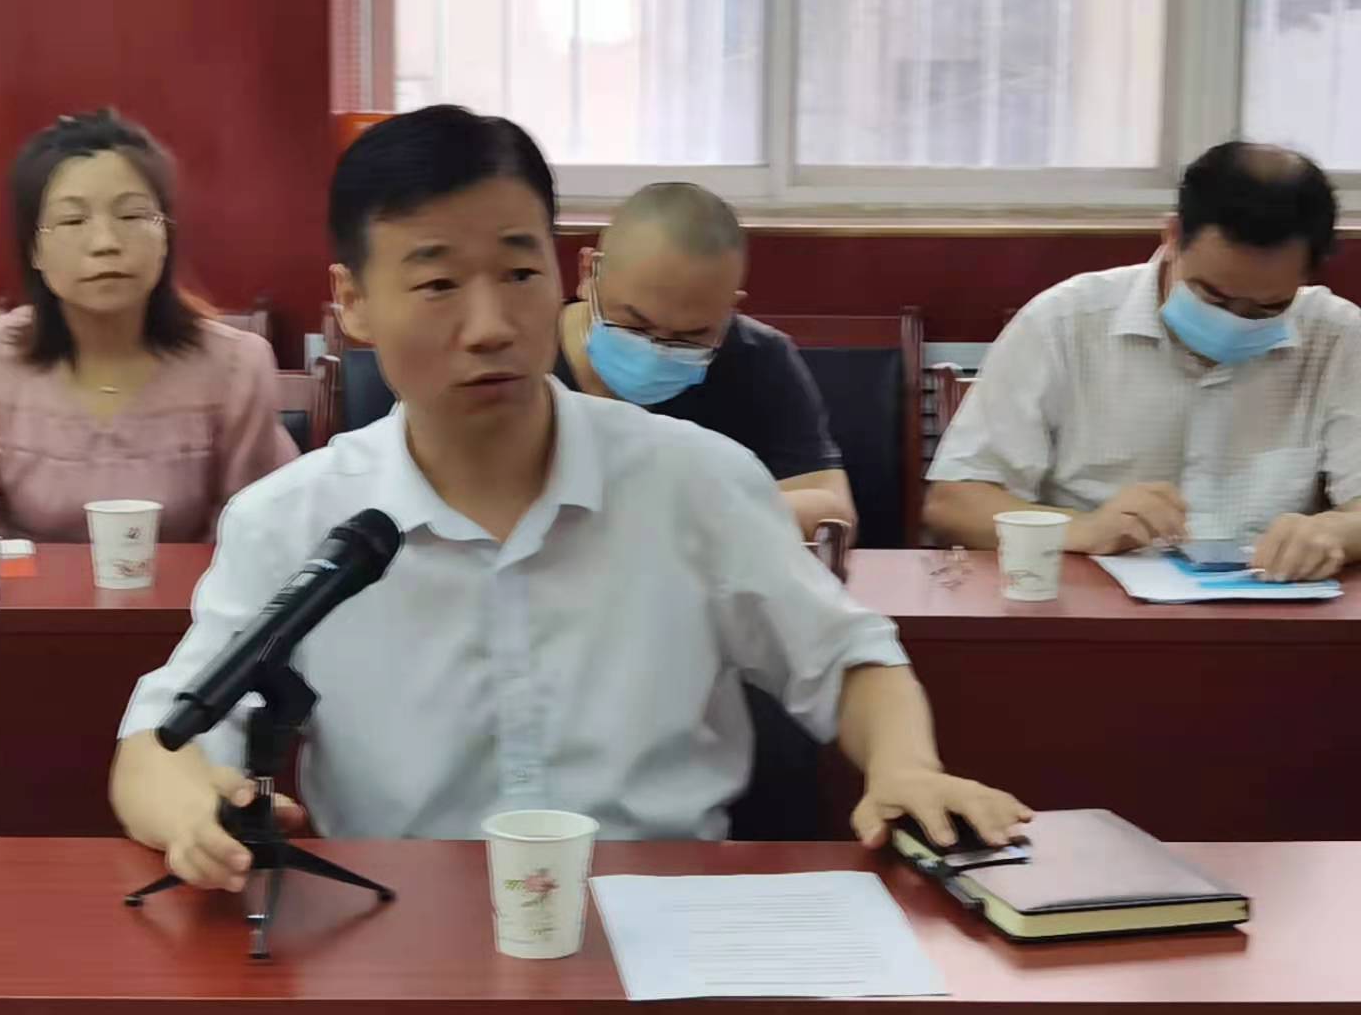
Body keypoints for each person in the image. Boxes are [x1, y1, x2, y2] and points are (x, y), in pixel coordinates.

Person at [111, 105, 1028, 892]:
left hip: (665, 931)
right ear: (353, 302)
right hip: (401, 935)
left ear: (564, 274)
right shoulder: (295, 518)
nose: (491, 327)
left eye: (519, 274)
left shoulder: (695, 482)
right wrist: (191, 808)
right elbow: (160, 738)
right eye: (436, 284)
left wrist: (906, 766)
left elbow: (849, 658)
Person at [925, 141, 1361, 582]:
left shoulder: (1338, 337)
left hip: (1270, 609)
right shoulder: (1065, 322)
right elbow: (954, 503)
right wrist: (1083, 529)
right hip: (1089, 604)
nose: (1235, 322)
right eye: (1213, 297)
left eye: (1268, 308)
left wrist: (1336, 532)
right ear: (1172, 236)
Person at [0, 110, 297, 543]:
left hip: (195, 590)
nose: (106, 243)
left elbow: (260, 532)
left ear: (166, 237)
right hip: (24, 589)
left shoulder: (235, 367)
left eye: (132, 216)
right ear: (34, 250)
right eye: (73, 221)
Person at [554, 183, 856, 538]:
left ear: (729, 306)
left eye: (691, 335)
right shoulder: (525, 359)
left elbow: (833, 514)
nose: (656, 350)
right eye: (636, 324)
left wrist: (694, 512)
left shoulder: (759, 359)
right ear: (588, 272)